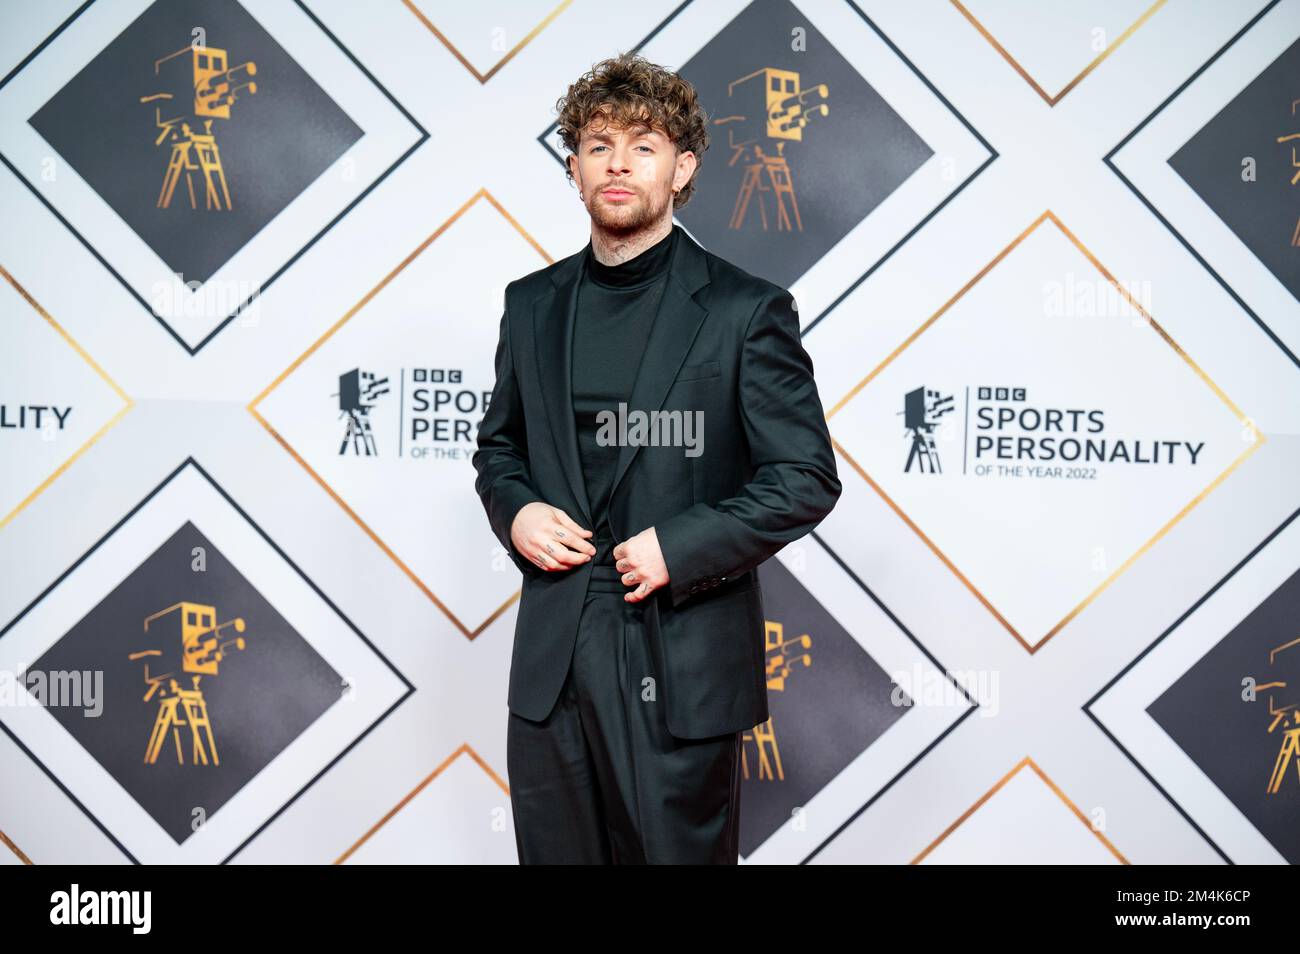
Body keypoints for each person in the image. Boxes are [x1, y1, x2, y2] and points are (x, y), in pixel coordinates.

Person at [472, 51, 841, 864]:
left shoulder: (746, 310)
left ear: (683, 167)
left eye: (644, 145)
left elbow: (804, 477)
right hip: (556, 647)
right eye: (599, 144)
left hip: (677, 646)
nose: (619, 163)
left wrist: (683, 545)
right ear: (573, 168)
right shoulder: (530, 305)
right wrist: (519, 508)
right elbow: (499, 448)